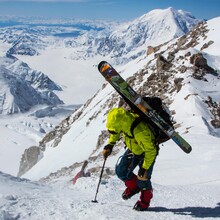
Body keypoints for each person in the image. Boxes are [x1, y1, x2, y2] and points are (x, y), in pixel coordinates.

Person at [102, 107, 158, 211]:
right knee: (121, 171)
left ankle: (144, 202)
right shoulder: (124, 122)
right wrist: (110, 144)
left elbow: (151, 151)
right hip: (134, 149)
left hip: (147, 154)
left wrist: (144, 167)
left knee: (143, 178)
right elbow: (116, 131)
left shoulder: (140, 131)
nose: (113, 131)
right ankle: (134, 187)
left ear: (121, 124)